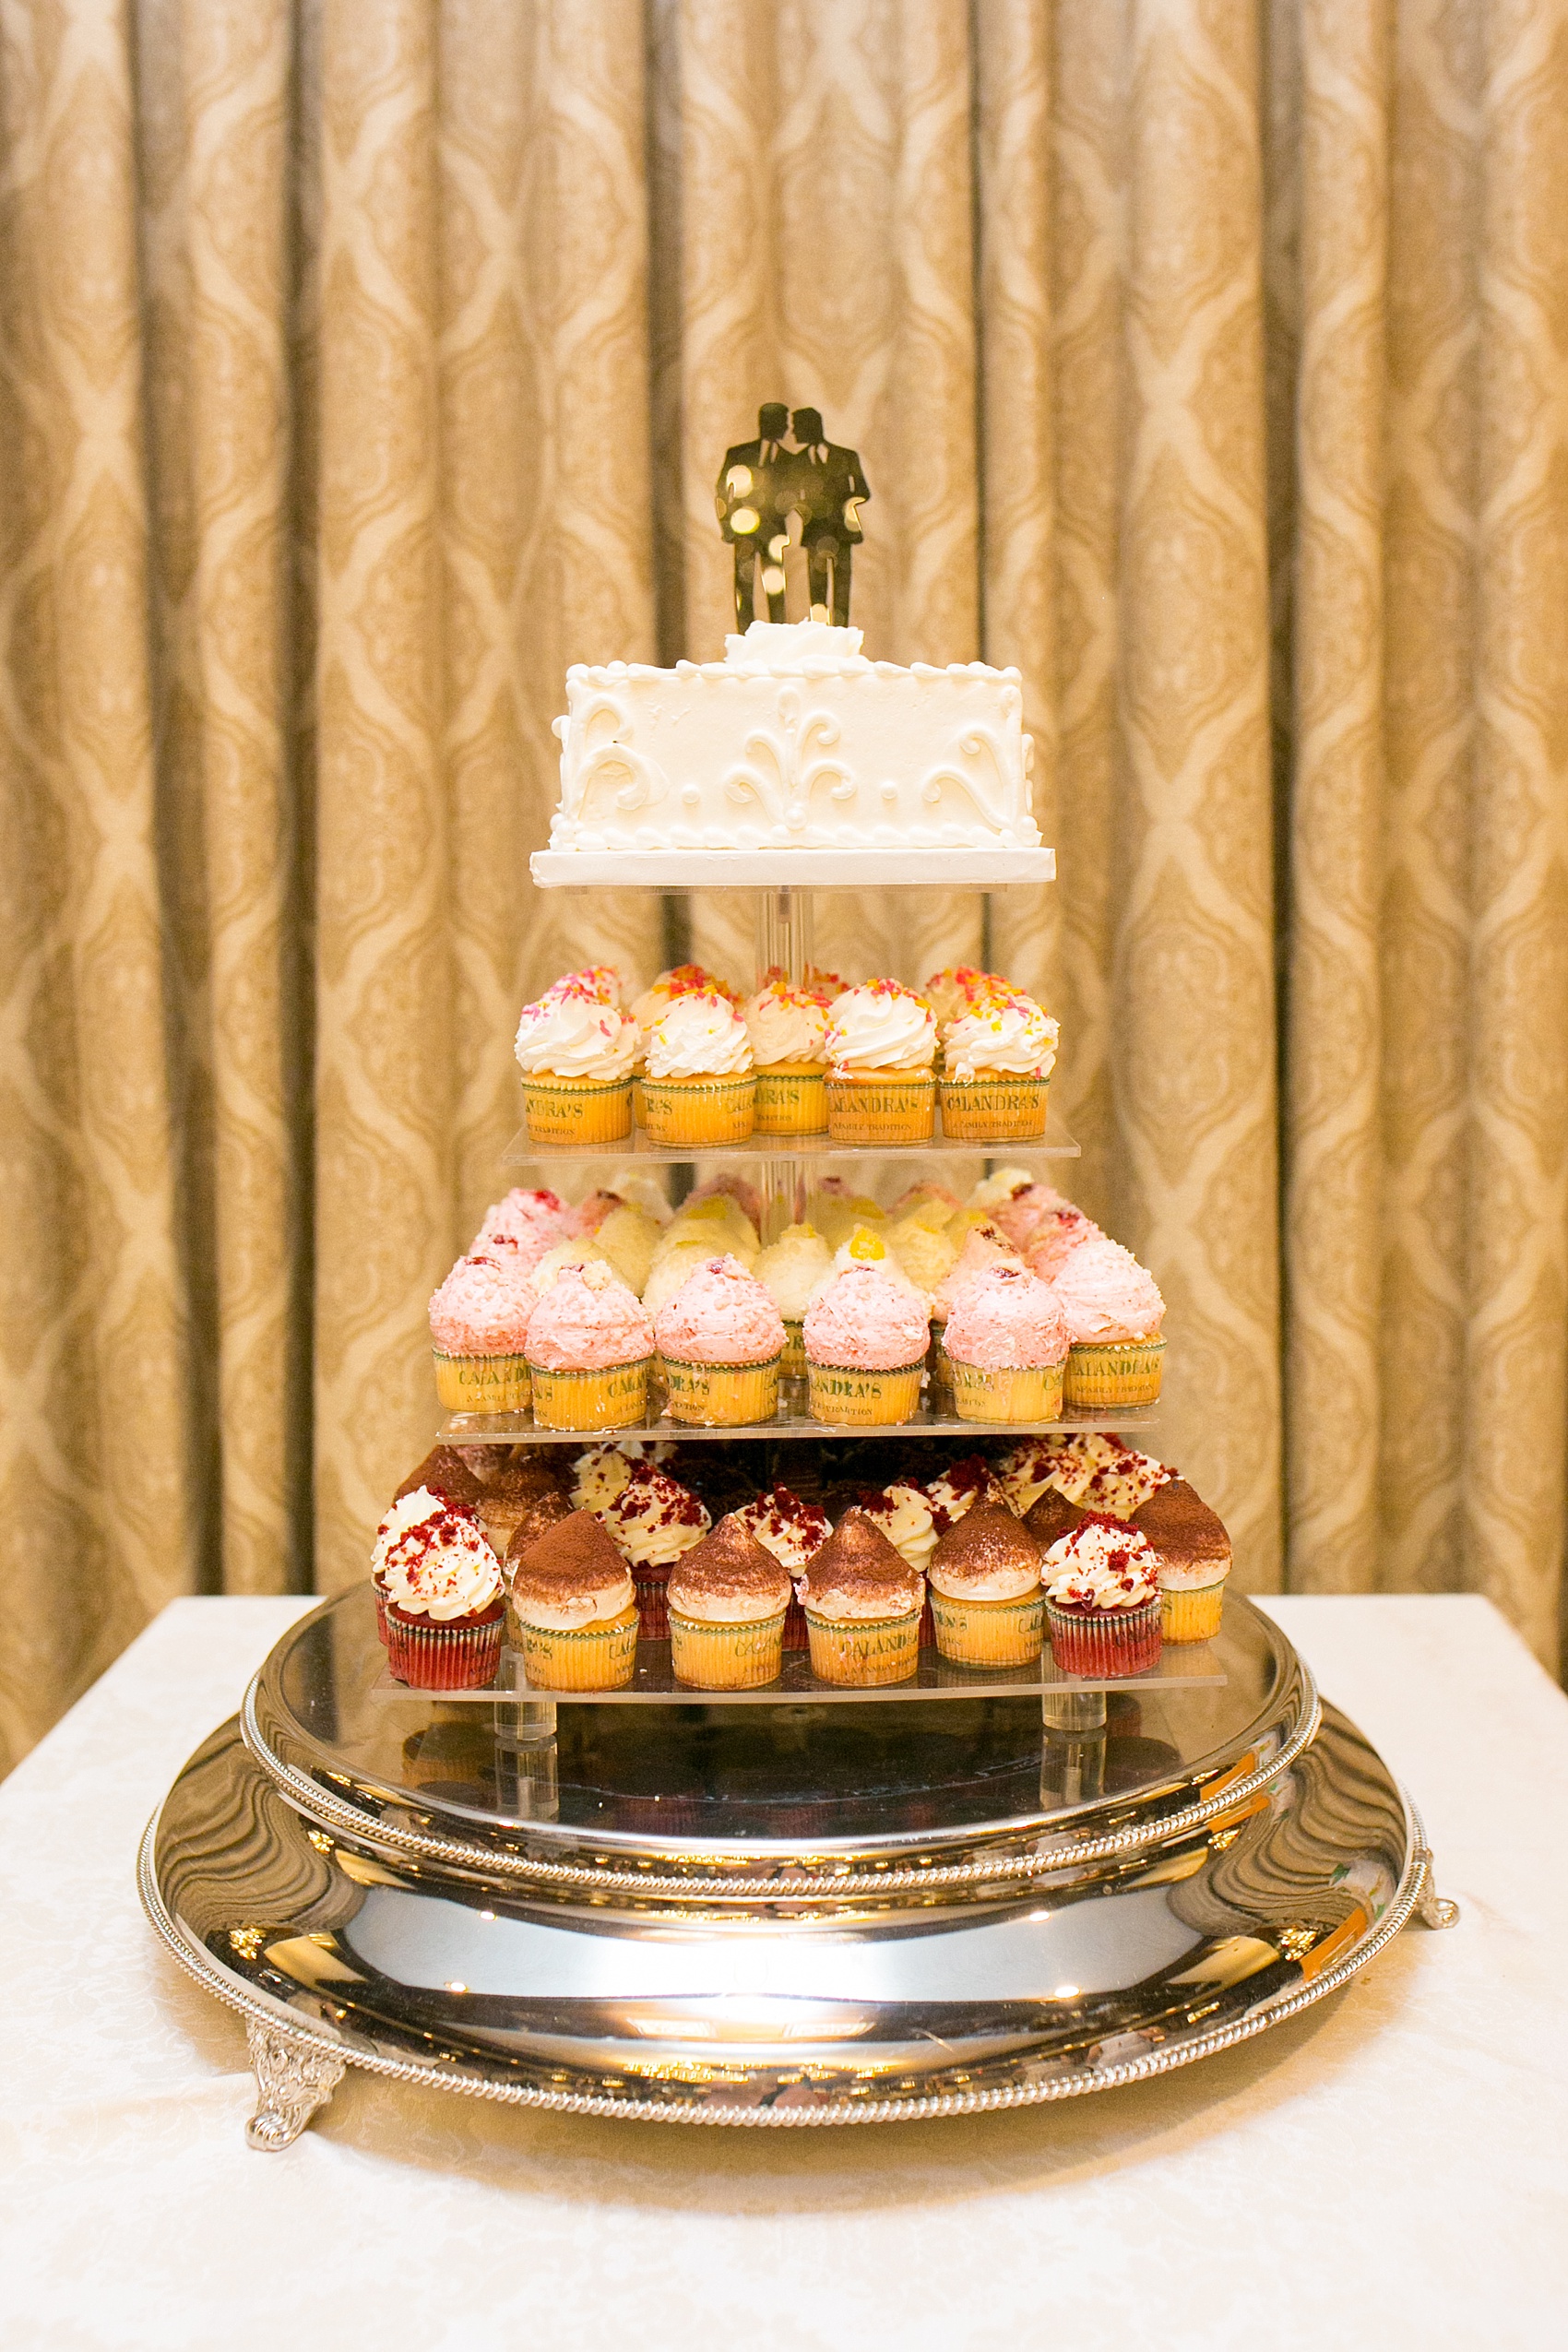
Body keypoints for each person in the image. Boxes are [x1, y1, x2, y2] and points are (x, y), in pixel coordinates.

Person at [715, 403, 795, 629]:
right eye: (782, 422)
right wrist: (727, 526)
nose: (787, 427)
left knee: (776, 588)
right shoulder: (738, 454)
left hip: (774, 533)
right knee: (744, 587)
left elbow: (795, 495)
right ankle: (744, 635)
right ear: (766, 423)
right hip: (743, 533)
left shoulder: (790, 460)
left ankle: (779, 632)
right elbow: (722, 492)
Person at [789, 407, 870, 626]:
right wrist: (805, 510)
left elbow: (862, 491)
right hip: (814, 532)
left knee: (842, 587)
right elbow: (793, 497)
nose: (793, 432)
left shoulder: (846, 456)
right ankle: (820, 631)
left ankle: (841, 632)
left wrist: (845, 506)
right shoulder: (798, 461)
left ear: (810, 427)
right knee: (817, 590)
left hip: (842, 532)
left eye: (796, 427)